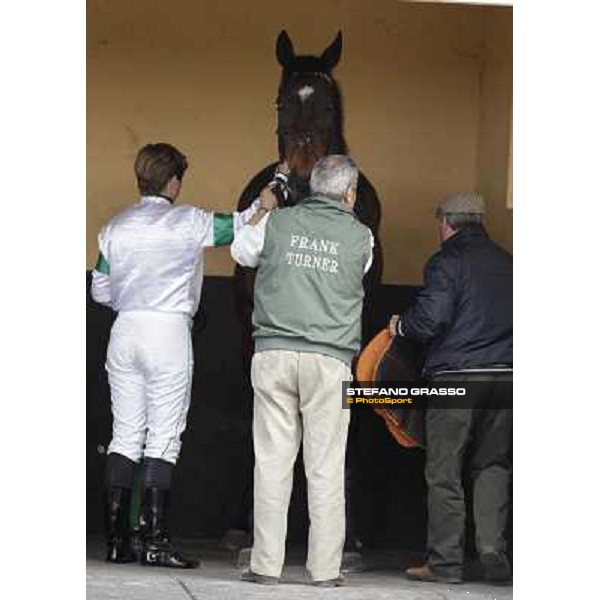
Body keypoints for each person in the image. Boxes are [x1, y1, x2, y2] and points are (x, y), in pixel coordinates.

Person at [91, 142, 276, 568]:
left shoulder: (115, 227)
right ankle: (155, 543)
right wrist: (264, 203)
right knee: (163, 439)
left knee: (124, 436)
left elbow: (99, 288)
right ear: (173, 182)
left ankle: (119, 543)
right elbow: (237, 227)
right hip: (169, 332)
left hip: (125, 330)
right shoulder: (188, 221)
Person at [231, 155, 373, 587]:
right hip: (330, 362)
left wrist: (264, 206)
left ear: (313, 187)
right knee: (326, 466)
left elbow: (240, 249)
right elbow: (359, 272)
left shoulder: (277, 223)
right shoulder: (362, 237)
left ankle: (265, 565)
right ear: (349, 194)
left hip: (273, 353)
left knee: (271, 462)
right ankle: (326, 571)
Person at [389, 192, 513, 584]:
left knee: (444, 470)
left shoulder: (447, 261)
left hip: (457, 379)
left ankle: (445, 563)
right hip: (509, 378)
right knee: (493, 465)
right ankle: (493, 551)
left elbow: (429, 320)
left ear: (446, 222)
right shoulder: (510, 263)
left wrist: (400, 326)